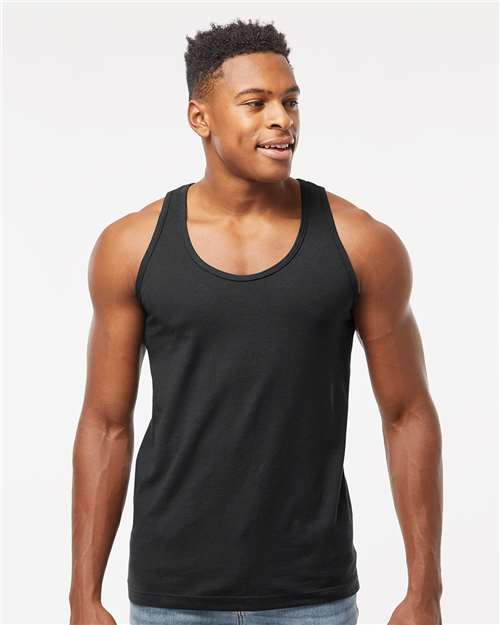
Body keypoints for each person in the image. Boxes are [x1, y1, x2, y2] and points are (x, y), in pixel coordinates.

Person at [69, 18, 443, 625]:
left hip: (312, 596)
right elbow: (105, 424)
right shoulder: (131, 248)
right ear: (200, 118)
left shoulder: (361, 244)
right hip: (172, 596)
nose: (281, 120)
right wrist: (83, 596)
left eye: (290, 102)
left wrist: (425, 592)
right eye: (256, 103)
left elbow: (408, 415)